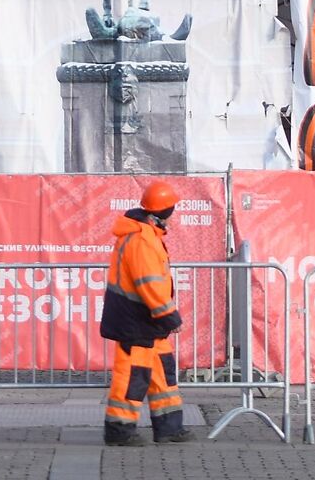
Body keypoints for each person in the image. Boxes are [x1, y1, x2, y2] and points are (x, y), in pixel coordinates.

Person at [100, 179, 192, 446]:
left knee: (162, 373)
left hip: (145, 322)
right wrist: (170, 316)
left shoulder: (147, 235)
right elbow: (149, 284)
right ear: (165, 211)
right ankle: (119, 431)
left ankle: (170, 428)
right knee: (132, 377)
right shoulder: (142, 239)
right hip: (136, 322)